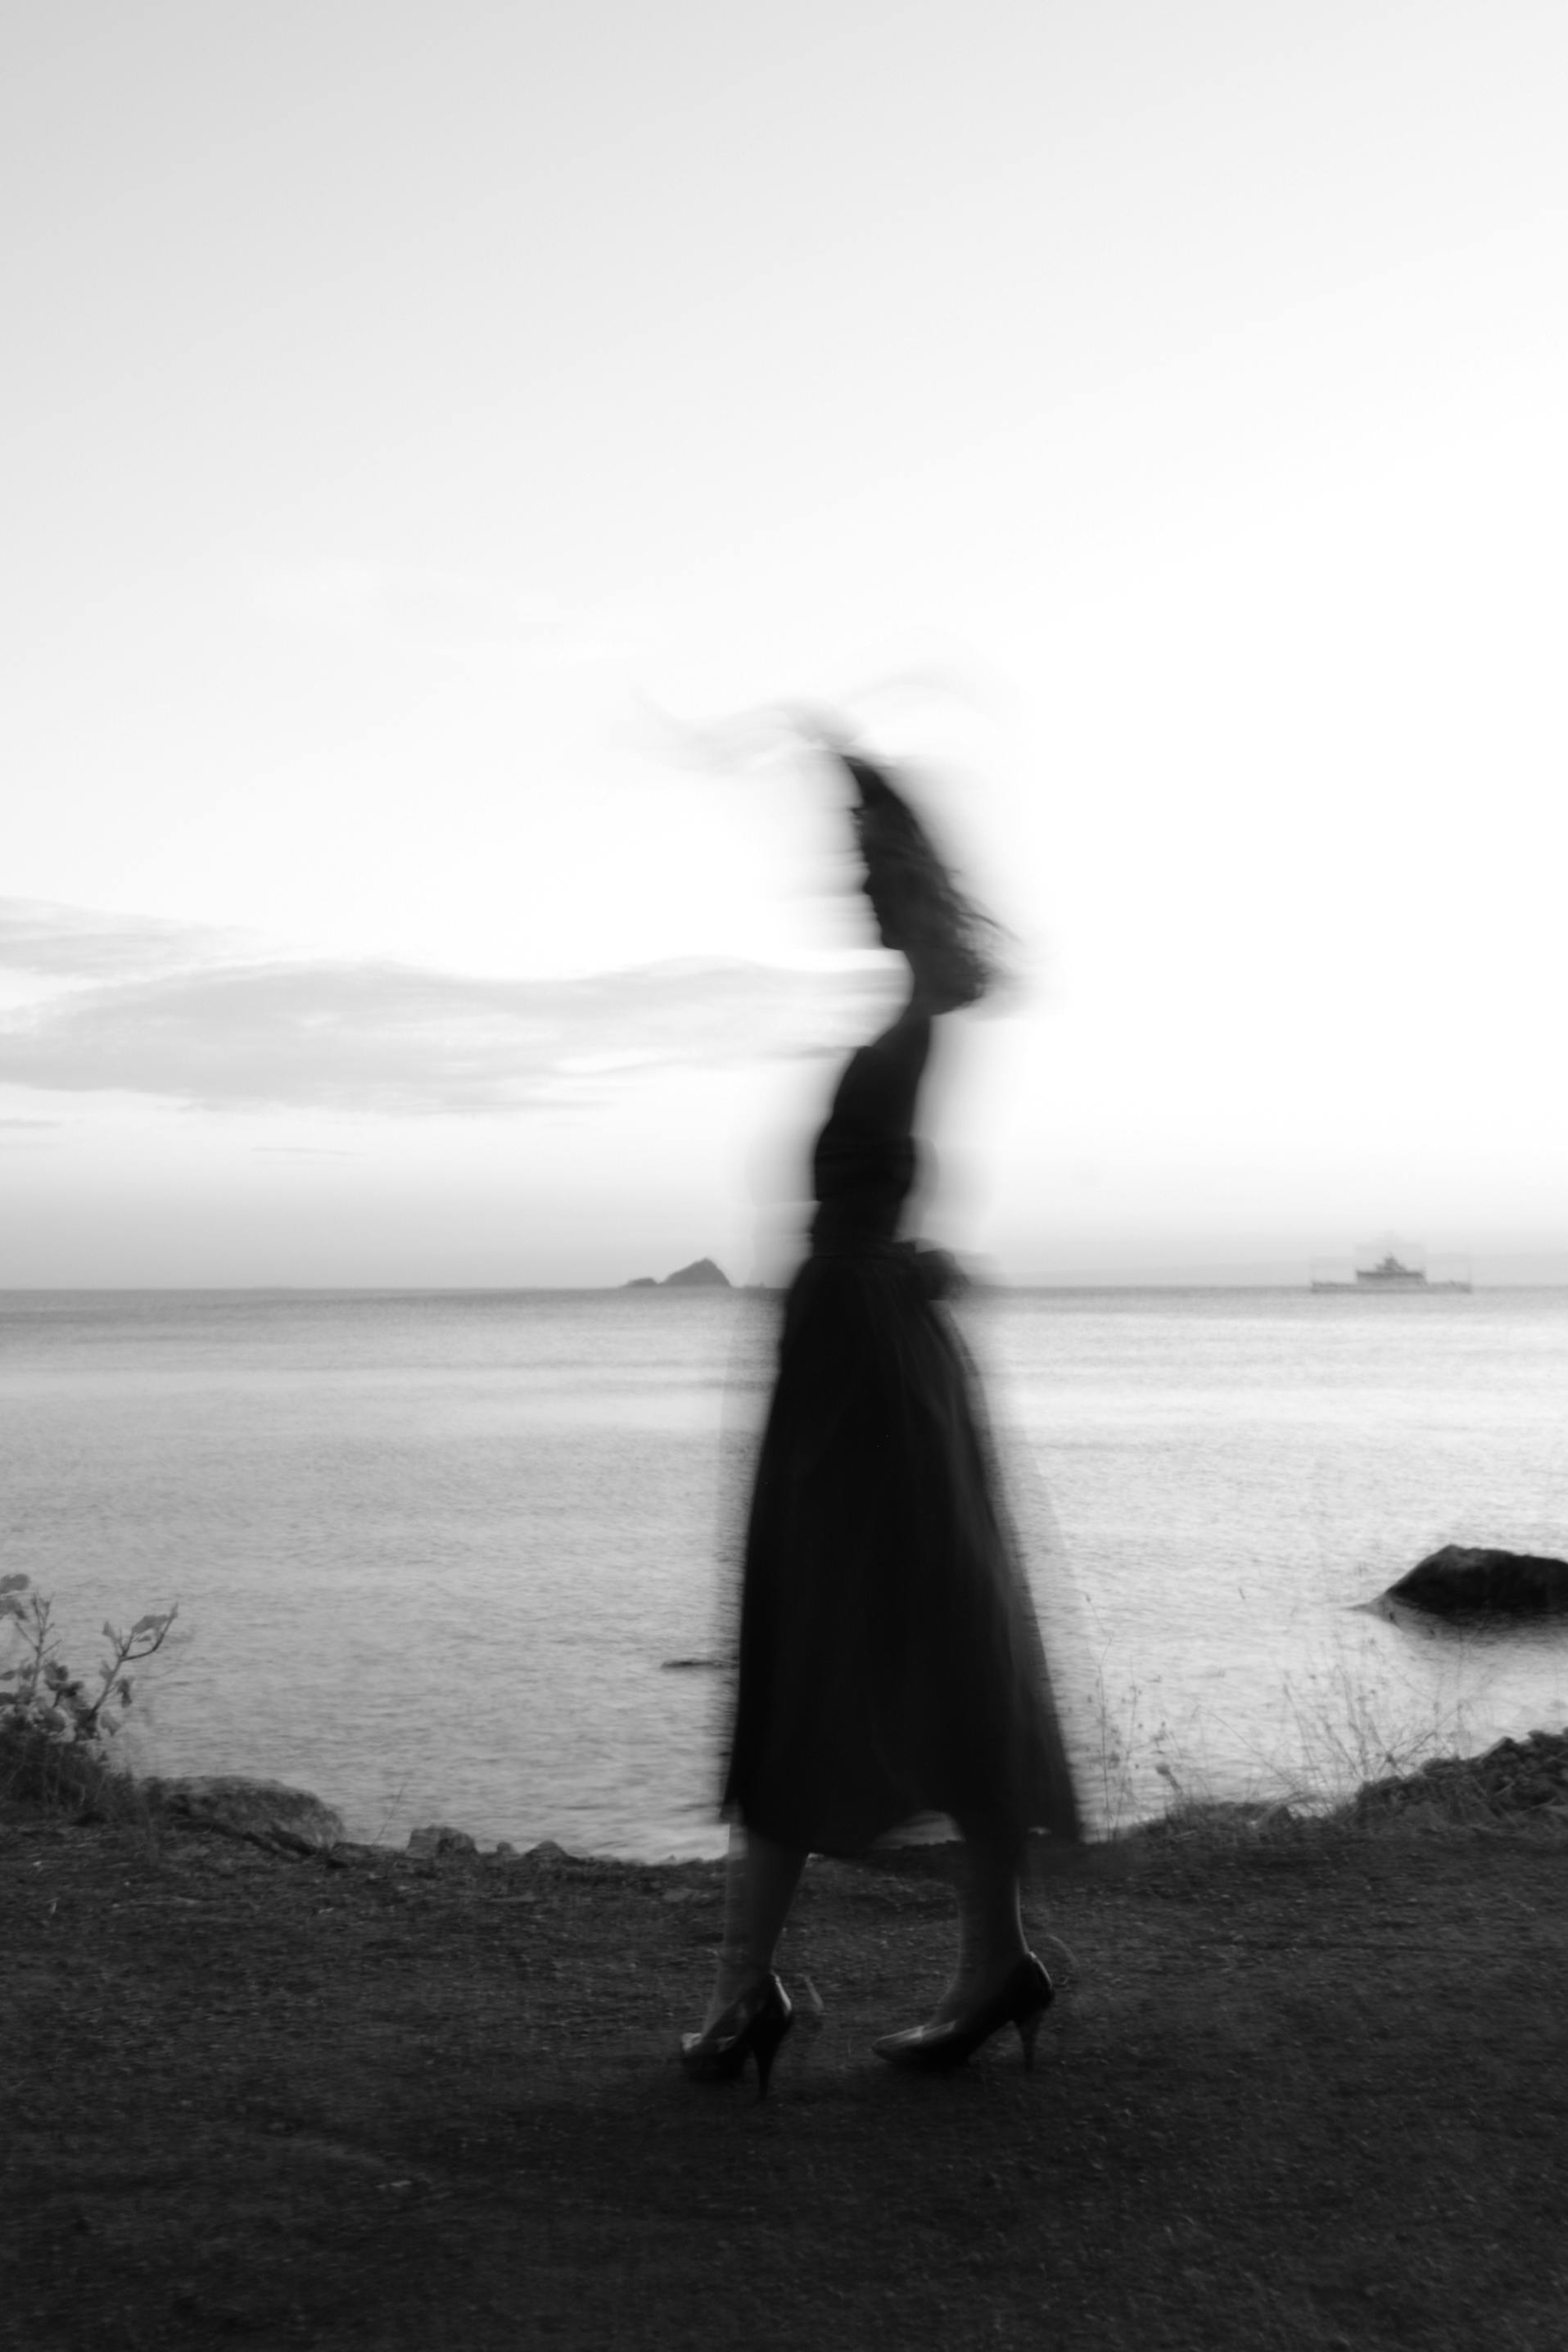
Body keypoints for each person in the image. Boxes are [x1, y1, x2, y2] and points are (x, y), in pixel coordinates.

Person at [680, 741, 1082, 2096]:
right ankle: (967, 1964)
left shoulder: (910, 1025)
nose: (846, 887)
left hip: (863, 1379)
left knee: (839, 1652)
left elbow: (945, 975)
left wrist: (880, 814)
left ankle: (762, 1995)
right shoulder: (897, 1036)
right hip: (857, 1368)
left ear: (908, 893)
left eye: (865, 872)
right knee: (878, 1647)